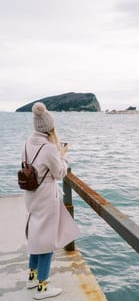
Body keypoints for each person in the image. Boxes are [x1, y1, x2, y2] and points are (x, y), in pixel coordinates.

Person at [22, 102, 80, 300]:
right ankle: (42, 287)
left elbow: (26, 165)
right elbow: (59, 173)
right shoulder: (48, 148)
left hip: (31, 194)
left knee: (37, 235)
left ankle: (31, 277)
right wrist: (63, 156)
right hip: (46, 195)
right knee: (47, 240)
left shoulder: (27, 142)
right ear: (49, 126)